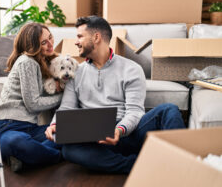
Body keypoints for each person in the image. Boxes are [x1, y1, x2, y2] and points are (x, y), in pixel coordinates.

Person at [45, 16, 185, 174]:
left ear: (96, 37)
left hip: (127, 132)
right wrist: (55, 124)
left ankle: (179, 167)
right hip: (94, 137)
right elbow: (67, 107)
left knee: (169, 110)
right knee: (69, 151)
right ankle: (141, 166)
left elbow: (135, 111)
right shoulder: (76, 72)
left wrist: (119, 130)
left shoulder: (131, 69)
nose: (76, 41)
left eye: (80, 36)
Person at [0, 23, 63, 172]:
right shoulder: (27, 62)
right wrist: (62, 97)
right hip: (9, 126)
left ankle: (24, 159)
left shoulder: (41, 62)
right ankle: (58, 156)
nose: (50, 44)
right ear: (32, 46)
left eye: (50, 38)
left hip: (31, 128)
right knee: (15, 142)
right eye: (43, 43)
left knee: (69, 131)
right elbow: (33, 103)